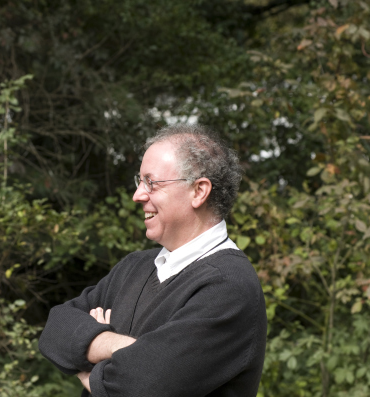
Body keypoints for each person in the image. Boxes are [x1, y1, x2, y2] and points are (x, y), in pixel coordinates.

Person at [39, 124, 267, 397]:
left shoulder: (229, 286)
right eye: (139, 181)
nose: (138, 195)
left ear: (199, 191)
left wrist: (88, 353)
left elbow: (142, 386)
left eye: (152, 182)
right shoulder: (132, 267)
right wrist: (117, 346)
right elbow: (55, 331)